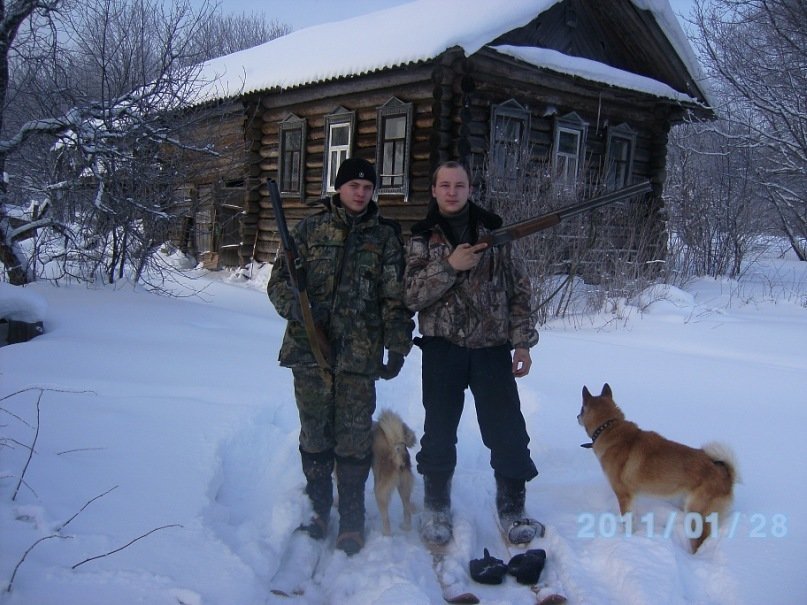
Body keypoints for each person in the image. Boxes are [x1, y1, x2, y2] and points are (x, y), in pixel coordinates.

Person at [267, 157, 414, 556]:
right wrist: (296, 308)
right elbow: (279, 283)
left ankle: (350, 516)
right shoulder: (309, 229)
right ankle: (317, 511)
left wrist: (398, 345)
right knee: (315, 434)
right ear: (339, 188)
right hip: (309, 351)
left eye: (368, 187)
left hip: (358, 358)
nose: (361, 193)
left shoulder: (384, 238)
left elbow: (395, 298)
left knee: (352, 441)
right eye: (354, 186)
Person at [403, 160, 541, 546]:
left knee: (508, 430)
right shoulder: (419, 239)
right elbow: (410, 295)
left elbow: (520, 290)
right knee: (439, 431)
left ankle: (512, 508)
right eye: (444, 184)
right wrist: (449, 266)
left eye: (458, 185)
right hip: (442, 350)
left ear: (469, 189)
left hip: (491, 350)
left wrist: (523, 343)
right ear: (434, 190)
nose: (451, 191)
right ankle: (436, 507)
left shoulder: (496, 233)